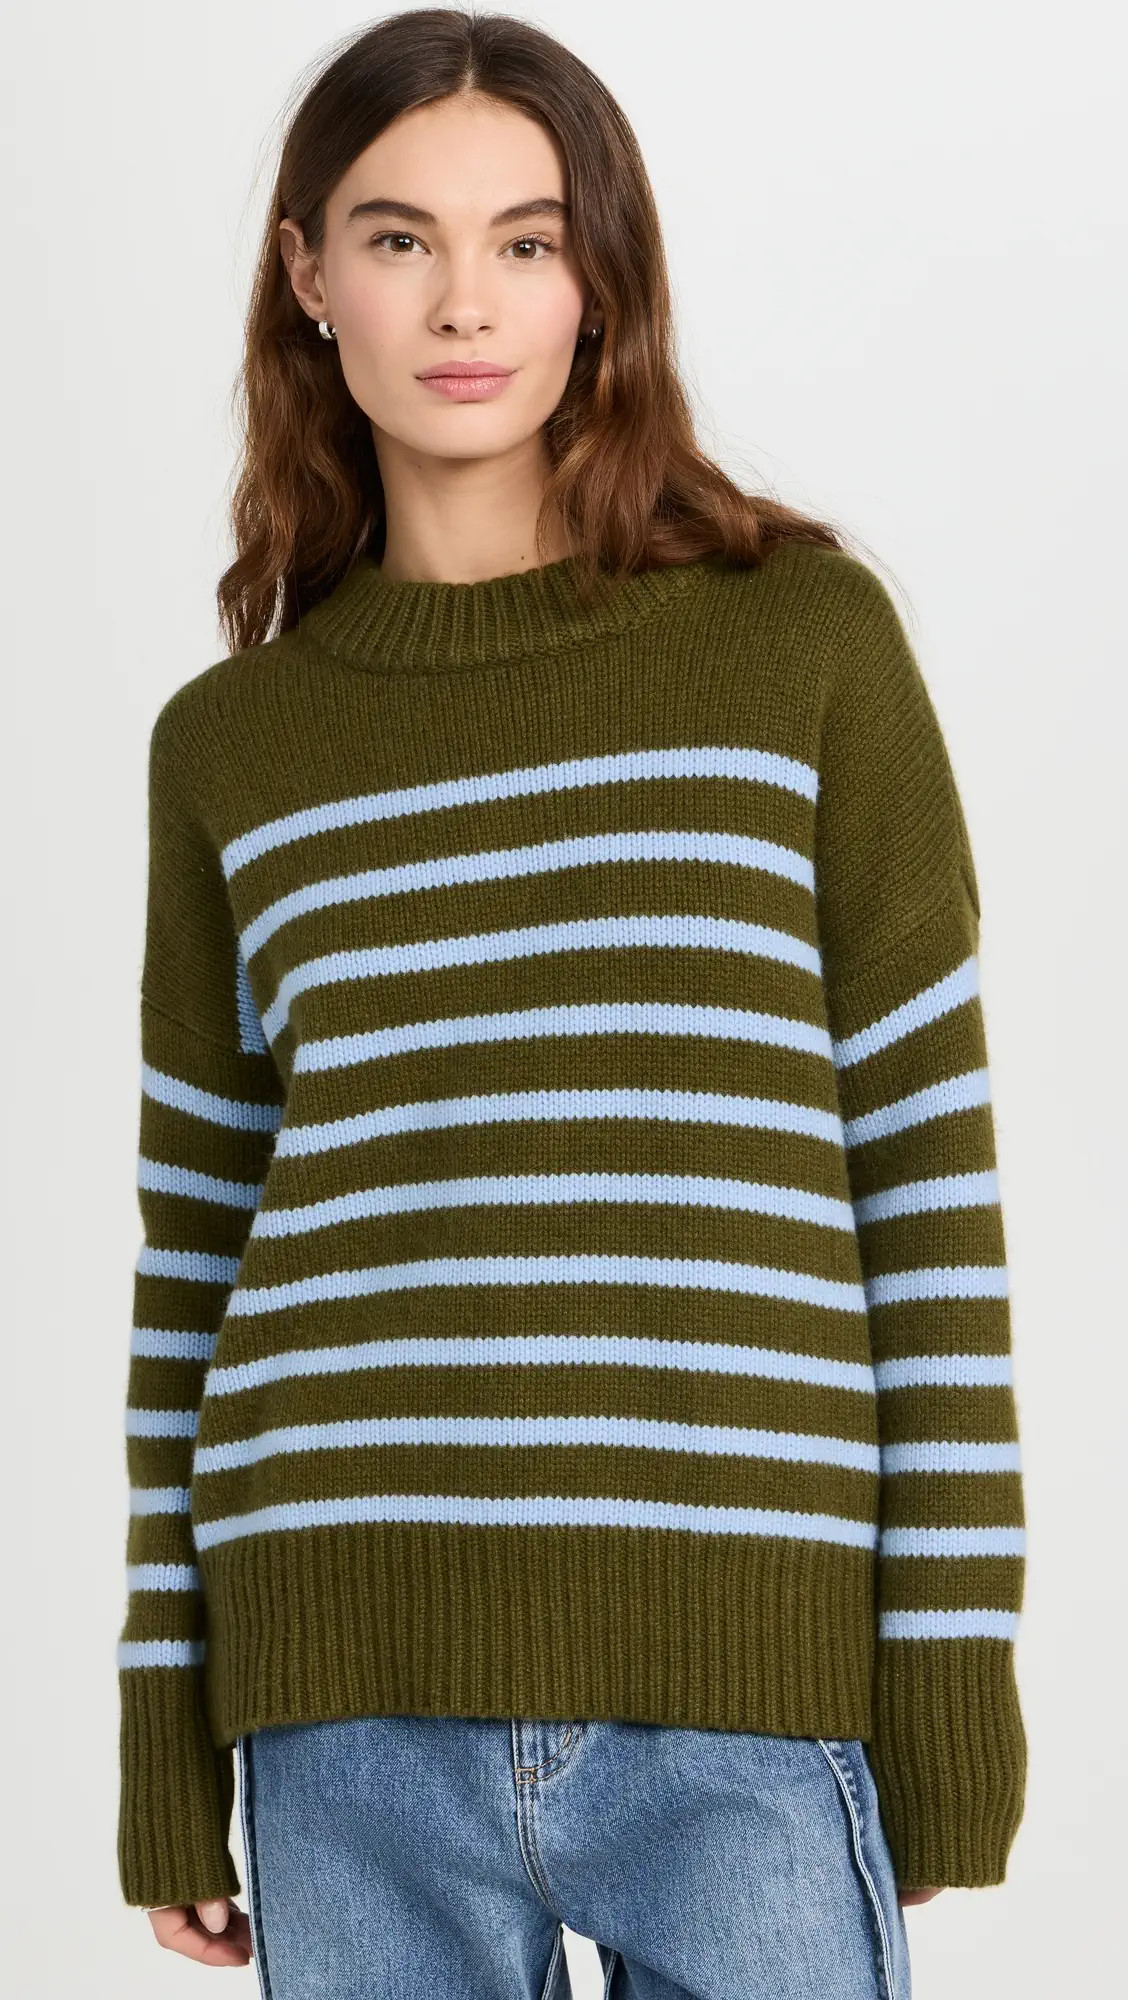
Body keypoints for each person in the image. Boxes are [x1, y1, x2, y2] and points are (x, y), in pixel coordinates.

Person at [116, 9, 1027, 1993]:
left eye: (526, 241)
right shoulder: (233, 748)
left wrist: (951, 1688)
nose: (467, 302)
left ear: (598, 276)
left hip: (743, 1687)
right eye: (402, 238)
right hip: (344, 1691)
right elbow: (194, 1264)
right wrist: (162, 1741)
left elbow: (927, 1188)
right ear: (307, 272)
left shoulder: (804, 645)